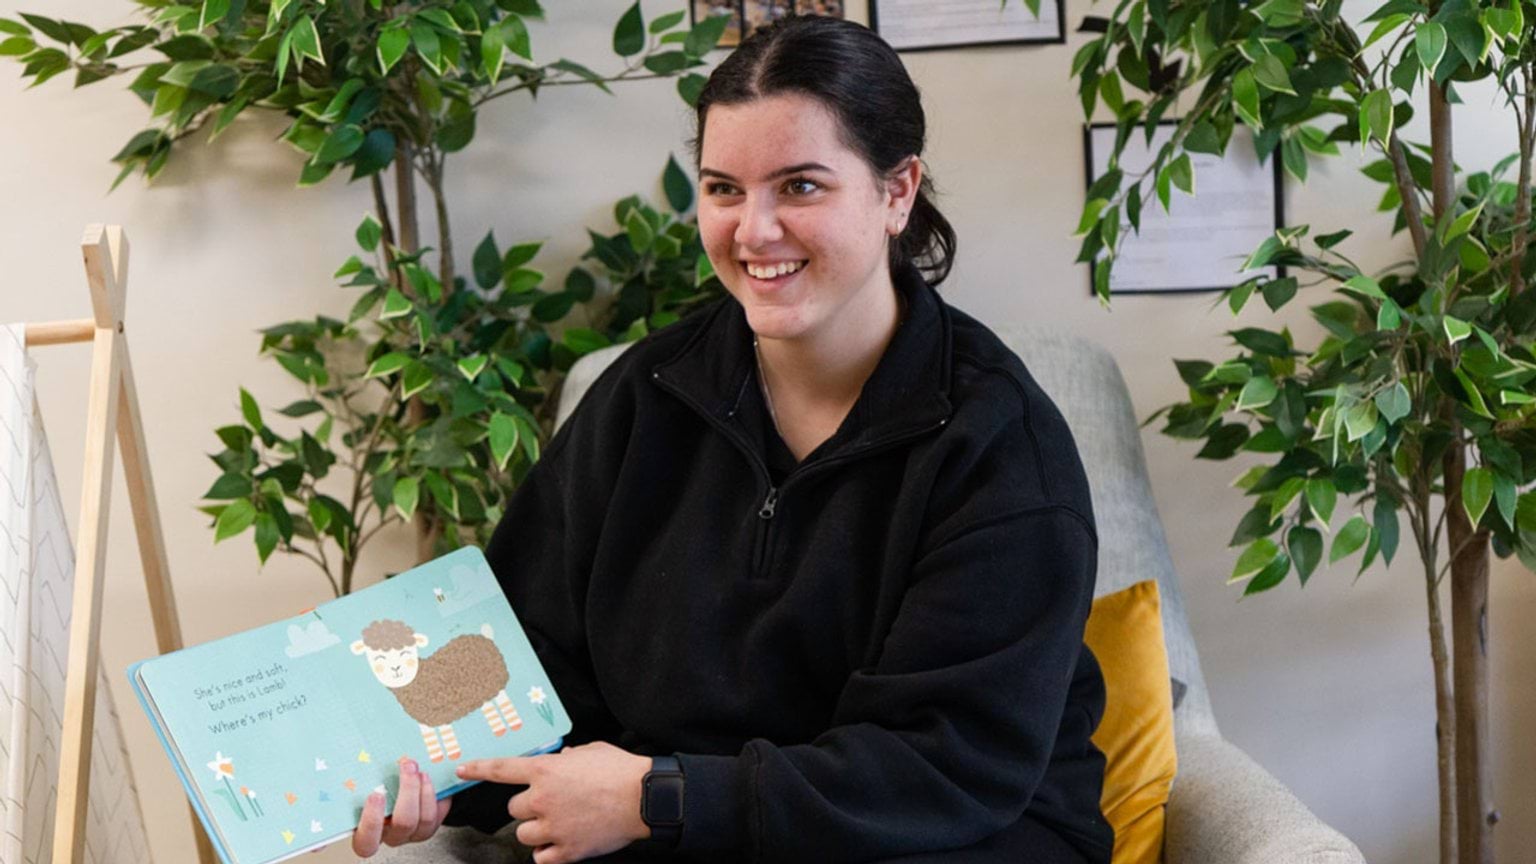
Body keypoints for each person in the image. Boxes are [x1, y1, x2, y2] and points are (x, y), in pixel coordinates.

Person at [352, 13, 1113, 864]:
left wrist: (660, 797)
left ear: (897, 191)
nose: (753, 230)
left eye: (800, 187)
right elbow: (529, 665)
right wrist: (440, 774)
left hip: (946, 838)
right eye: (723, 189)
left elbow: (944, 763)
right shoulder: (643, 398)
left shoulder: (999, 445)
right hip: (682, 833)